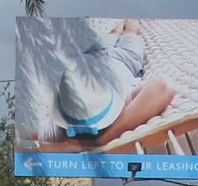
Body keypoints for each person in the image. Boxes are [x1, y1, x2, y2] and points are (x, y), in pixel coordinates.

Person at [47, 20, 175, 150]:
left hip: (93, 56)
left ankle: (120, 19)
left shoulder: (66, 107)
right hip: (125, 58)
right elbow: (164, 87)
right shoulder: (123, 106)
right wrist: (103, 140)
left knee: (114, 32)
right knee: (131, 31)